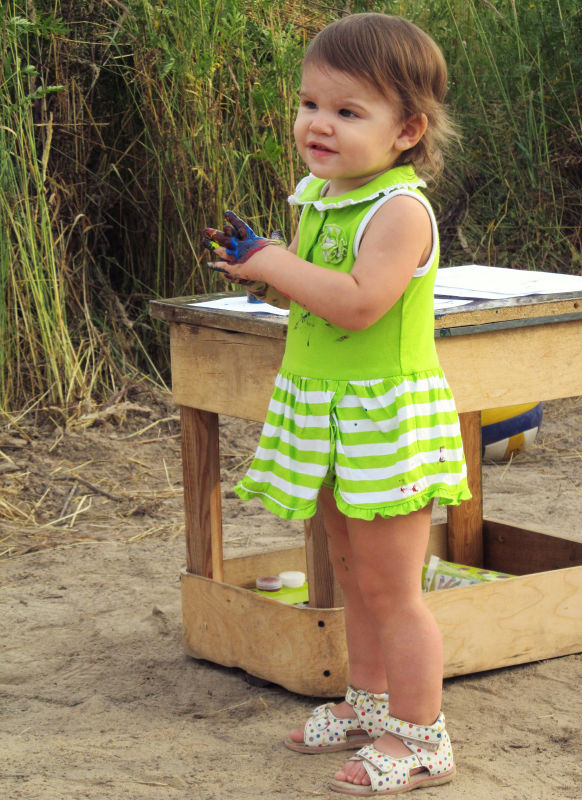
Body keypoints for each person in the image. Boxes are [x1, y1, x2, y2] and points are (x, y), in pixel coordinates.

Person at [204, 12, 471, 796]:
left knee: (394, 591)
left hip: (382, 421)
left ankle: (421, 737)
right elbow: (313, 299)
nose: (318, 124)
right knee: (353, 578)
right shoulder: (324, 196)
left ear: (407, 130)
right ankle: (370, 705)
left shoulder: (400, 211)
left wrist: (273, 263)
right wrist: (262, 272)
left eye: (348, 111)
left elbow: (358, 304)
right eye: (309, 103)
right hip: (330, 415)